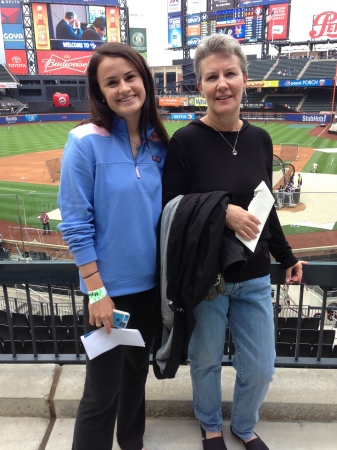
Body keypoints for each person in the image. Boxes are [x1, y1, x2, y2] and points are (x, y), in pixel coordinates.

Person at [161, 34, 305, 450]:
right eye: (211, 77)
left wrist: (287, 255)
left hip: (256, 272)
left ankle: (243, 426)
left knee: (260, 367)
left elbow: (266, 206)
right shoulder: (185, 142)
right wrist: (221, 210)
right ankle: (209, 425)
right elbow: (171, 206)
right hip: (208, 275)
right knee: (205, 361)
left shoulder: (260, 138)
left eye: (229, 73)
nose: (221, 83)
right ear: (200, 86)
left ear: (245, 79)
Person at [57, 42, 169, 450]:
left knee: (137, 376)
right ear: (100, 91)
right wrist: (97, 291)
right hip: (108, 294)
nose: (123, 88)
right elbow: (75, 222)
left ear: (144, 81)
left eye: (130, 77)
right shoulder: (84, 141)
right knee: (102, 393)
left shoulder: (160, 143)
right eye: (111, 82)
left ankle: (132, 443)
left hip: (151, 290)